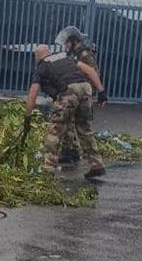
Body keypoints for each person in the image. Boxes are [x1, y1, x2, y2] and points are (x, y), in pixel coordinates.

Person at [24, 44, 106, 178]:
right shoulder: (67, 58)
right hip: (85, 88)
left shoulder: (42, 66)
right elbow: (90, 71)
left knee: (55, 130)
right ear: (49, 52)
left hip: (69, 91)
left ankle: (47, 169)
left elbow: (33, 94)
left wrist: (27, 116)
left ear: (37, 56)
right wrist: (102, 91)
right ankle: (97, 165)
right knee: (84, 128)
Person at [54, 26, 108, 164]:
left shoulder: (84, 55)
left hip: (83, 92)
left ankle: (76, 152)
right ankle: (71, 150)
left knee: (78, 124)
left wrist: (100, 91)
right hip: (77, 92)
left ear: (73, 41)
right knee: (69, 121)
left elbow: (93, 73)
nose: (65, 46)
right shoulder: (75, 54)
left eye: (66, 42)